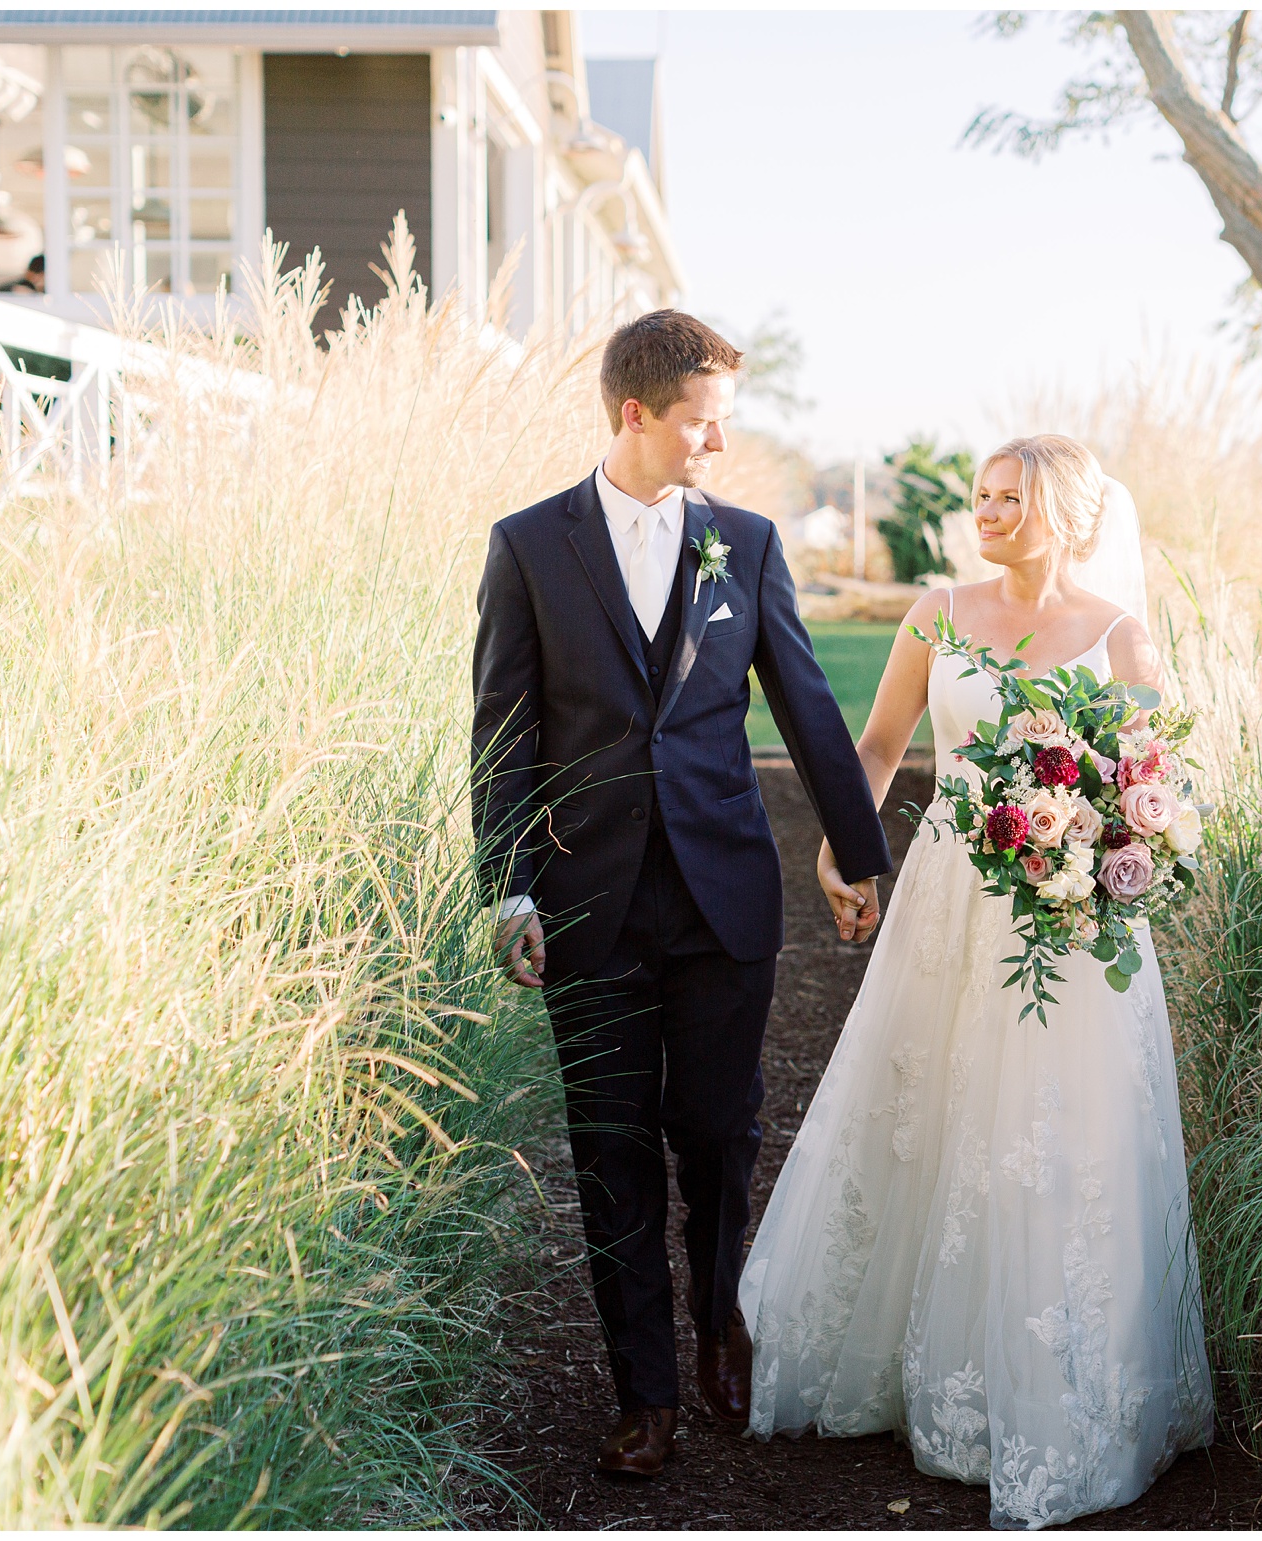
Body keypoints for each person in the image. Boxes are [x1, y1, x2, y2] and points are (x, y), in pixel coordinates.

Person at [738, 435, 1216, 1529]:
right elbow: (876, 743)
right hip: (952, 898)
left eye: (1013, 499)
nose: (987, 513)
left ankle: (1064, 1394)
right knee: (930, 1110)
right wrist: (838, 842)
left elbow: (1156, 779)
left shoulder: (1117, 633)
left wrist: (1096, 845)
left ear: (1068, 512)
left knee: (1059, 1136)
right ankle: (915, 1369)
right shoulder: (934, 614)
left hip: (1073, 917)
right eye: (982, 497)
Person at [472, 310, 892, 1478]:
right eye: (703, 422)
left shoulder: (744, 545)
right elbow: (501, 733)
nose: (718, 442)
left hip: (723, 897)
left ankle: (719, 1323)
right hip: (584, 903)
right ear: (636, 415)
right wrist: (505, 889)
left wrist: (860, 854)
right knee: (609, 1147)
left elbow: (807, 710)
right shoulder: (528, 546)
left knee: (717, 1134)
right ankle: (642, 1390)